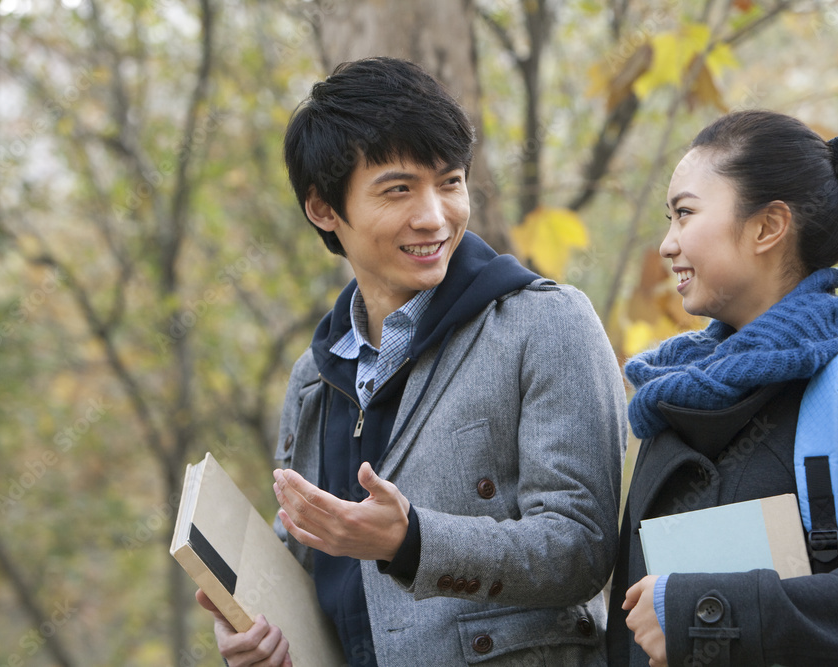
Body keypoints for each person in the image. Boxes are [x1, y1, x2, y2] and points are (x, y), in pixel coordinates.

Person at [196, 56, 628, 667]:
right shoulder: (313, 379)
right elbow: (302, 564)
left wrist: (412, 542)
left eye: (450, 182)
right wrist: (254, 633)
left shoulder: (548, 323)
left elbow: (582, 548)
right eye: (398, 189)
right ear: (324, 209)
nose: (434, 215)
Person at [605, 109, 838, 667]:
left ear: (768, 227)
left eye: (685, 213)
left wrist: (700, 614)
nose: (666, 244)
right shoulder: (670, 397)